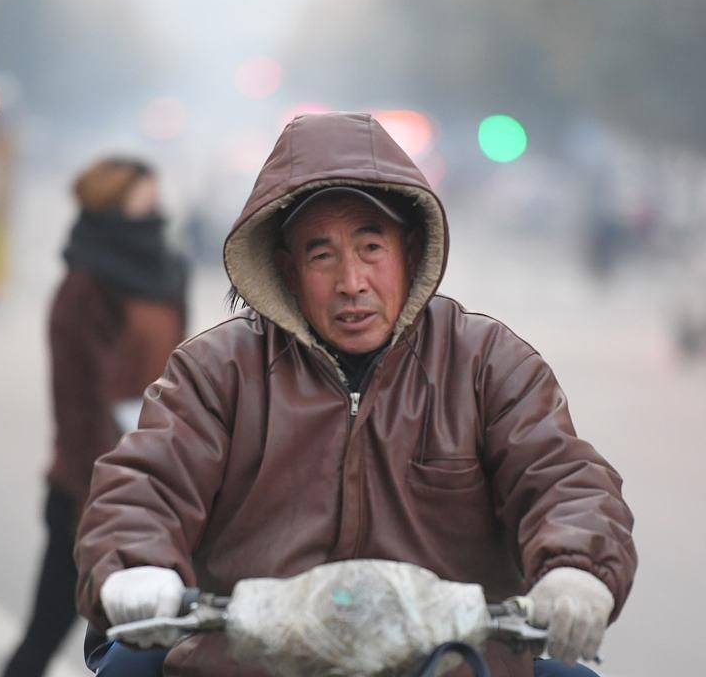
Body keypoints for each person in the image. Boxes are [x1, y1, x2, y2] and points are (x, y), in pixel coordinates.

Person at [74, 113, 636, 677]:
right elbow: (145, 483)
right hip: (249, 666)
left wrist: (575, 567)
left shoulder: (487, 363)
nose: (351, 282)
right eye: (322, 256)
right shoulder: (216, 372)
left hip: (450, 666)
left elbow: (562, 478)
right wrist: (137, 565)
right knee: (125, 668)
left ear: (410, 252)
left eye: (371, 247)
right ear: (287, 269)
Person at [0, 156, 189, 677]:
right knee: (47, 635)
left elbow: (185, 375)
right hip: (90, 489)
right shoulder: (83, 288)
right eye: (140, 198)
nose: (153, 208)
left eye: (153, 196)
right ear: (112, 206)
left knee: (158, 642)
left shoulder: (168, 272)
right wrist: (96, 505)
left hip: (158, 485)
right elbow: (77, 410)